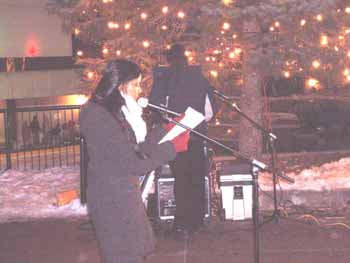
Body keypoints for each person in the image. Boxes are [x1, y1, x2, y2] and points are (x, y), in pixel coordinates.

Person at [79, 59, 189, 263]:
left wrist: (167, 131)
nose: (140, 90)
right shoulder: (98, 116)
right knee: (124, 255)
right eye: (136, 84)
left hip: (122, 196)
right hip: (112, 201)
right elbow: (134, 163)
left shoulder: (114, 113)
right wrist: (172, 147)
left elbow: (137, 149)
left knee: (135, 251)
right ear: (121, 85)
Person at [149, 43, 218, 238]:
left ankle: (181, 224)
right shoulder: (199, 77)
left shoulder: (163, 78)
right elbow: (210, 110)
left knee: (180, 180)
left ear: (169, 59)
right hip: (197, 135)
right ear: (186, 59)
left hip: (175, 137)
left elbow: (155, 107)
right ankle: (197, 221)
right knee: (196, 178)